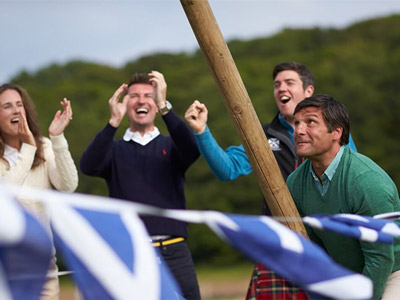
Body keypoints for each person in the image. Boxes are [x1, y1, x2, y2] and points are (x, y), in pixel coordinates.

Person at [185, 61, 356, 299]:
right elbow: (227, 168)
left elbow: (352, 181)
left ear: (308, 91)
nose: (281, 88)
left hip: (326, 243)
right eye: (277, 84)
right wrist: (202, 132)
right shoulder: (261, 137)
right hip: (279, 245)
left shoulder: (333, 134)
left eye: (289, 83)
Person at [80, 71, 201, 299]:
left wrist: (165, 105)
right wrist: (112, 122)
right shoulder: (114, 150)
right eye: (133, 96)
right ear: (126, 105)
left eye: (148, 95)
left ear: (155, 105)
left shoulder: (170, 145)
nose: (141, 100)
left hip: (173, 249)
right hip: (130, 251)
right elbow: (88, 165)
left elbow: (192, 149)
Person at [287, 94, 400, 300]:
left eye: (310, 122)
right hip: (346, 277)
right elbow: (313, 246)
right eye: (297, 123)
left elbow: (381, 257)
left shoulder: (366, 181)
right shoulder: (295, 182)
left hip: (393, 272)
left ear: (336, 132)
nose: (299, 130)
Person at [0, 83, 78, 300]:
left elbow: (68, 185)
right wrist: (28, 148)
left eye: (19, 105)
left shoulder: (43, 146)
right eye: (7, 106)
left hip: (42, 267)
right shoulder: (31, 148)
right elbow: (5, 197)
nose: (16, 110)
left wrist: (57, 139)